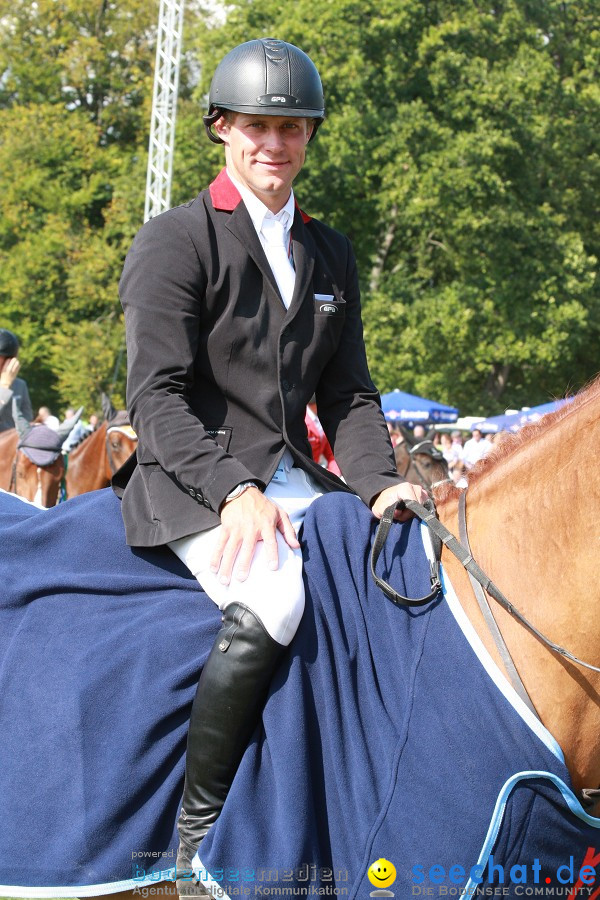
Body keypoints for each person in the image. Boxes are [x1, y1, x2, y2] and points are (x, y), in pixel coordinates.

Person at [114, 37, 427, 896]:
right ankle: (194, 834)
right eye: (256, 126)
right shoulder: (176, 240)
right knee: (279, 593)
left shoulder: (330, 254)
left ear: (309, 136)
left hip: (294, 477)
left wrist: (380, 482)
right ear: (222, 128)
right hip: (189, 484)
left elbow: (352, 398)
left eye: (291, 128)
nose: (273, 145)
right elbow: (157, 399)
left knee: (394, 570)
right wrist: (234, 490)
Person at [0, 328, 33, 434]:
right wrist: (4, 387)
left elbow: (27, 418)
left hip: (13, 445)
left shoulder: (20, 385)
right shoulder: (7, 384)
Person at [305, 396, 341, 476]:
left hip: (316, 473)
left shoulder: (321, 419)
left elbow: (330, 454)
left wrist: (334, 473)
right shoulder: (303, 421)